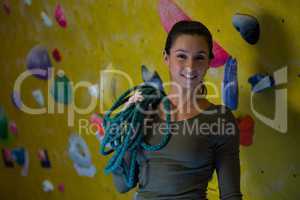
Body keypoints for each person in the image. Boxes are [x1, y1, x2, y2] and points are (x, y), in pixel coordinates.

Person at [111, 20, 242, 200]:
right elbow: (122, 186)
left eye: (200, 57)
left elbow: (231, 196)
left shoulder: (220, 119)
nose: (190, 66)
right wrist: (123, 137)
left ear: (209, 62)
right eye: (181, 56)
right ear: (166, 57)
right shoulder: (143, 112)